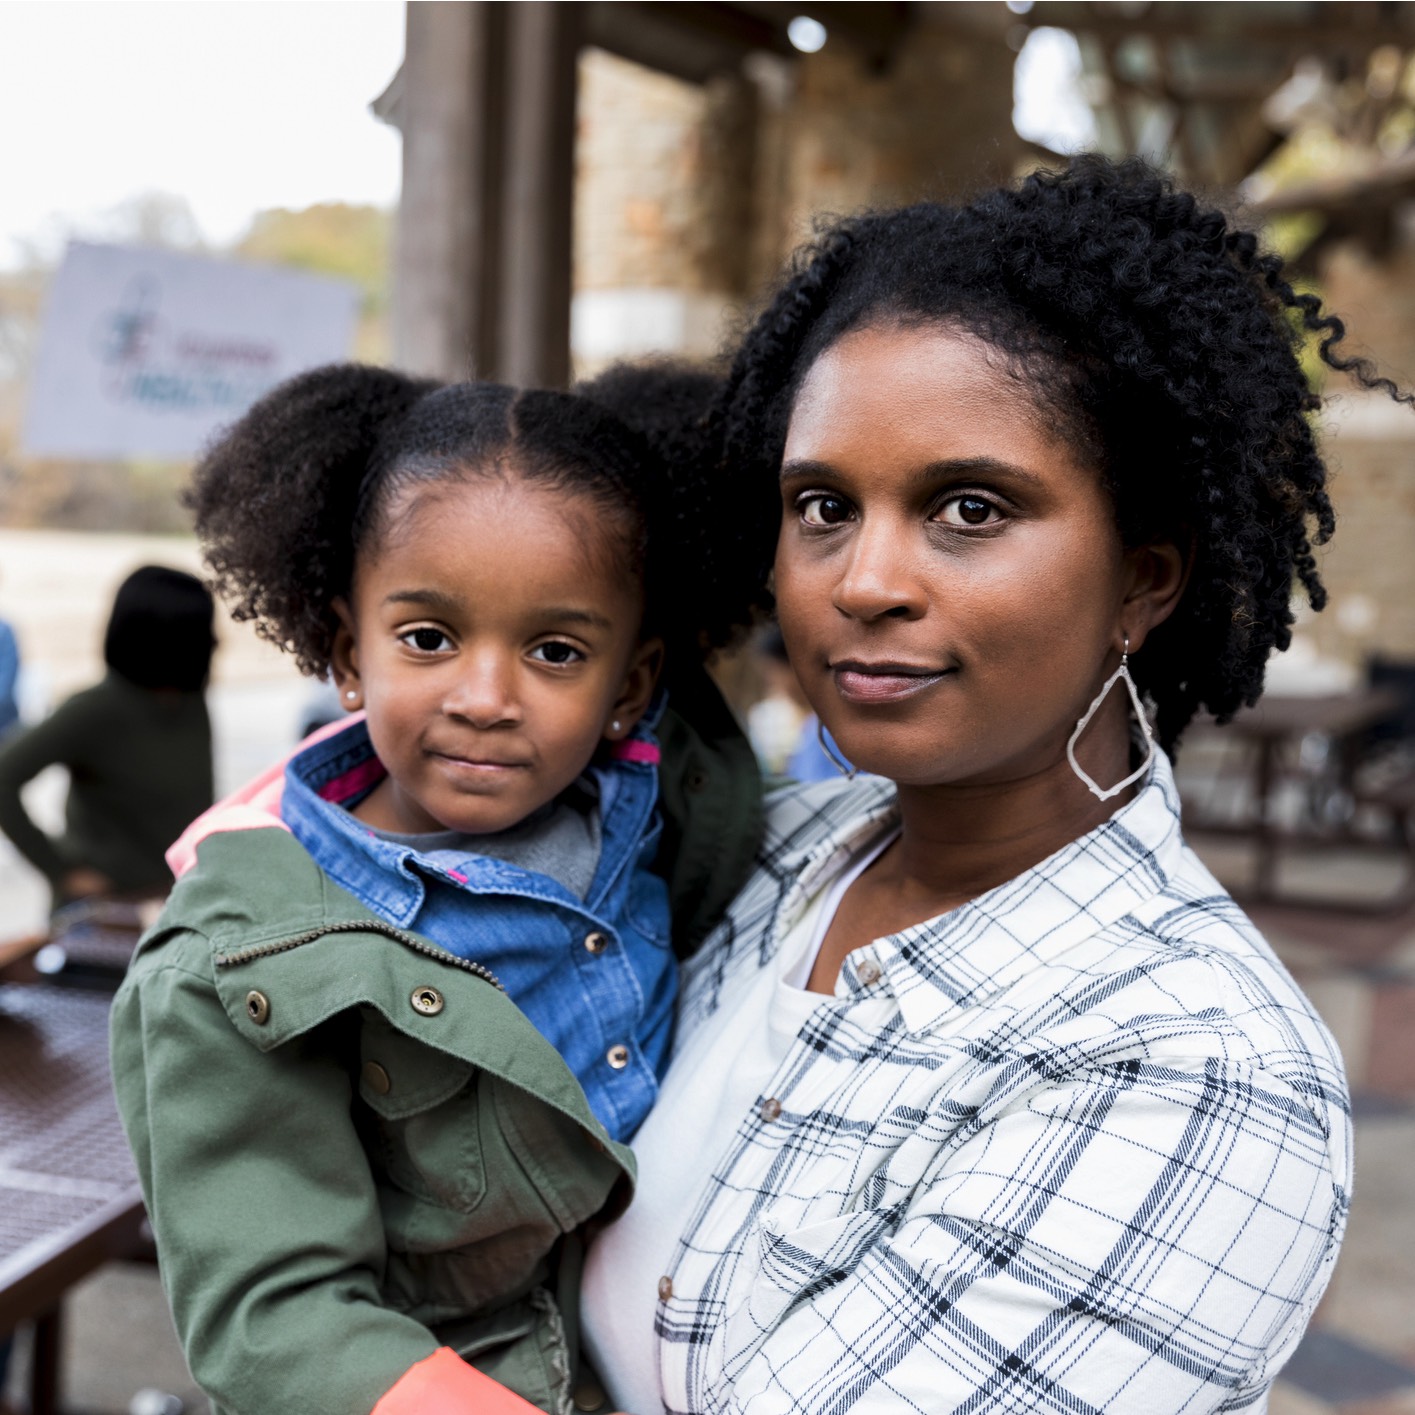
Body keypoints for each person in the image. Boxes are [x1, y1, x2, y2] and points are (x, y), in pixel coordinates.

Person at [582, 157, 1378, 1413]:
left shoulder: (1186, 1070)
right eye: (821, 505)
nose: (862, 581)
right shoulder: (764, 855)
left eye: (966, 506)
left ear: (1141, 581)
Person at [109, 368, 761, 1415]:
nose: (485, 698)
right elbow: (277, 1313)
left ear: (630, 687)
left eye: (555, 651)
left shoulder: (663, 799)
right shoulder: (236, 968)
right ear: (344, 653)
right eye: (427, 638)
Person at [0, 564, 214, 910]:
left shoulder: (190, 703)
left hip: (172, 901)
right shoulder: (96, 709)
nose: (216, 642)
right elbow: (4, 776)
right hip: (104, 911)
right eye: (203, 631)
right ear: (170, 637)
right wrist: (61, 871)